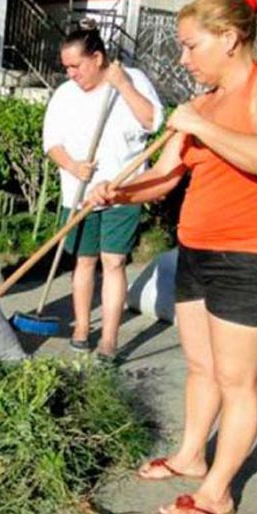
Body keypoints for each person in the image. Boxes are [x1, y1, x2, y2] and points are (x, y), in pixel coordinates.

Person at [87, 0, 257, 514]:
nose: (182, 58)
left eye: (190, 45)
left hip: (251, 259)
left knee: (239, 383)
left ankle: (218, 491)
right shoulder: (199, 105)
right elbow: (163, 178)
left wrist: (200, 126)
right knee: (202, 367)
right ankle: (190, 453)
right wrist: (118, 192)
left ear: (229, 38)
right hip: (197, 253)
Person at [42, 20, 164, 359]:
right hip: (78, 192)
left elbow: (154, 122)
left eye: (75, 66)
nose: (70, 74)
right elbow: (51, 142)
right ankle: (82, 327)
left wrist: (123, 85)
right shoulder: (65, 95)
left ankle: (109, 340)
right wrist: (73, 165)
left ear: (97, 58)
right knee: (84, 262)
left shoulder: (133, 80)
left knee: (113, 261)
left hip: (123, 190)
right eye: (65, 67)